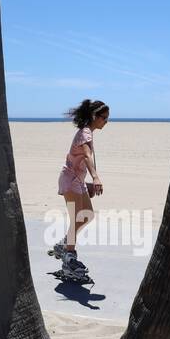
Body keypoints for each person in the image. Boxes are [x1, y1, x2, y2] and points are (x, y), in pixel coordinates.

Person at [52, 99, 109, 279]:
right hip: (70, 180)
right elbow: (85, 156)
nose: (106, 121)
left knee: (87, 215)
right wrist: (96, 177)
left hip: (78, 181)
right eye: (104, 118)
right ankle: (69, 256)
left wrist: (87, 182)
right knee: (77, 217)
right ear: (94, 116)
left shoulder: (87, 132)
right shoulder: (85, 133)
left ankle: (64, 245)